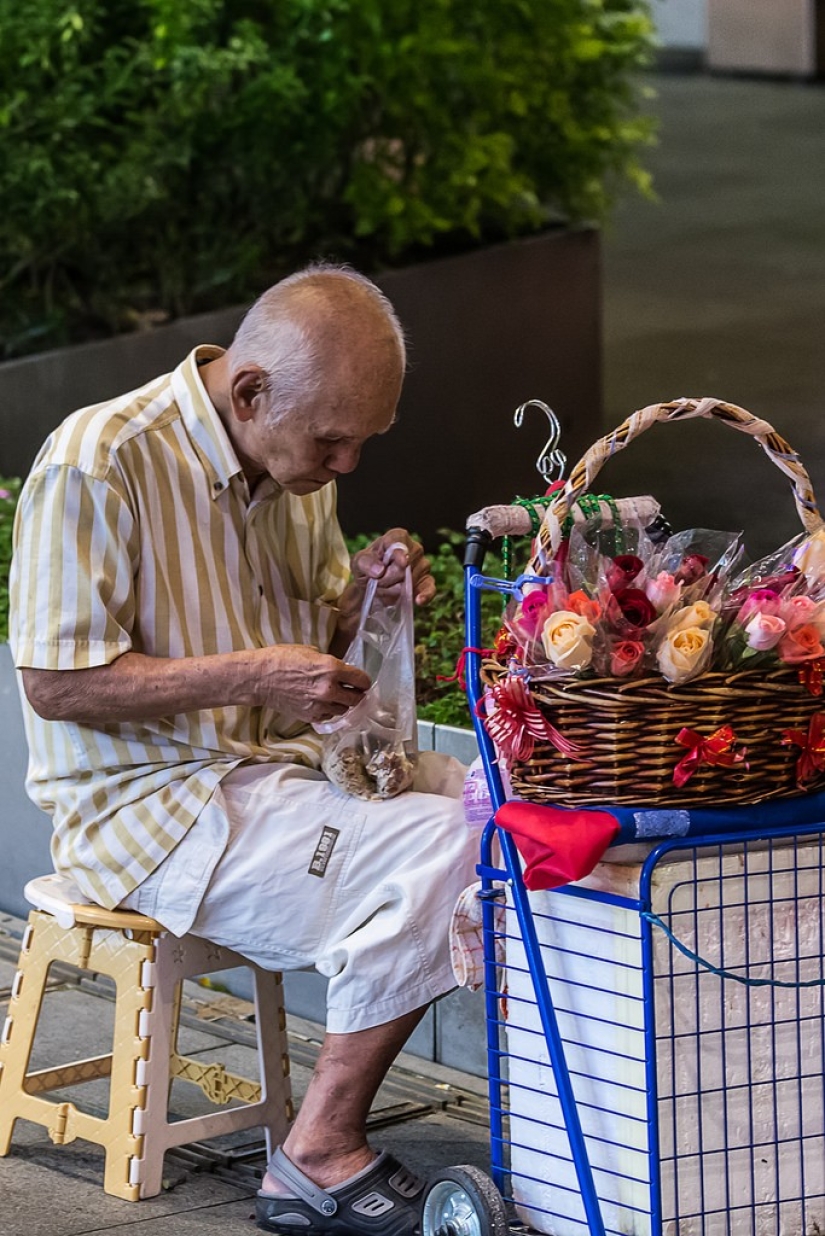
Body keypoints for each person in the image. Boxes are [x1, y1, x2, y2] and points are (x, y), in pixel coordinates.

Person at [9, 264, 479, 1235]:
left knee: (498, 807)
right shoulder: (101, 458)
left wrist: (371, 605)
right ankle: (312, 1158)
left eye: (363, 441)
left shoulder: (291, 459)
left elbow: (314, 650)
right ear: (252, 392)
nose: (347, 463)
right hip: (142, 811)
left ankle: (570, 1133)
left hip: (272, 775)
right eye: (333, 440)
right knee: (447, 850)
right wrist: (256, 676)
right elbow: (53, 683)